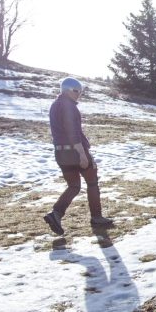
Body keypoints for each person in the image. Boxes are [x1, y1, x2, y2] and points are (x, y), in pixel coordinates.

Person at [43, 77, 113, 236]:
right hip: (75, 152)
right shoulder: (68, 106)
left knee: (74, 186)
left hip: (60, 153)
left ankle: (56, 214)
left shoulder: (55, 105)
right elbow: (72, 132)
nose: (79, 94)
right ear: (67, 90)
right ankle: (96, 217)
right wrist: (82, 154)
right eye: (76, 91)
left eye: (80, 91)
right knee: (92, 181)